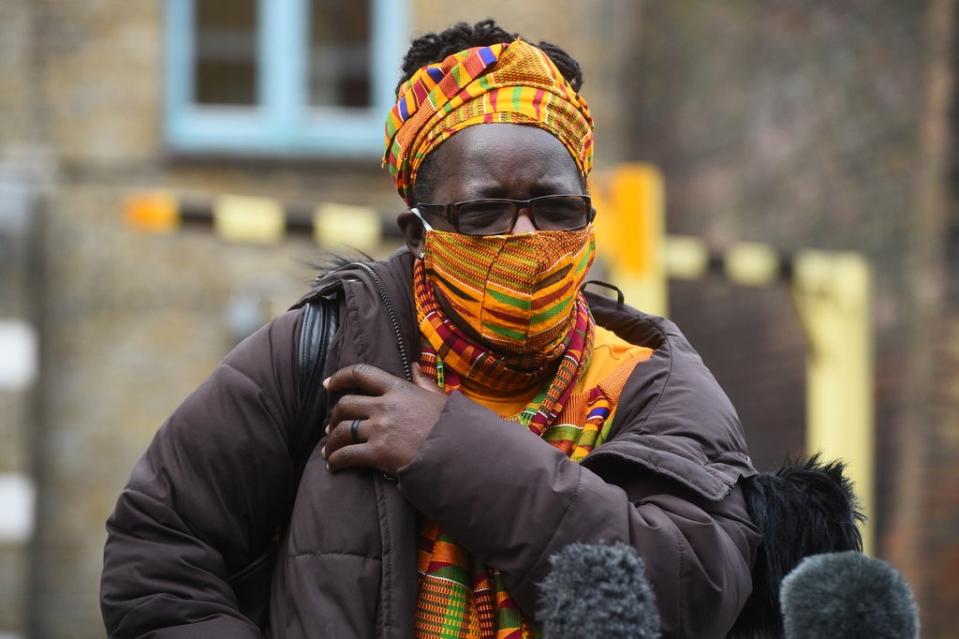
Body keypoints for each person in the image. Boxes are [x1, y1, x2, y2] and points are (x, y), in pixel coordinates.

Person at [101, 21, 760, 639]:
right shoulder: (320, 352)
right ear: (417, 234)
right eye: (483, 211)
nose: (525, 236)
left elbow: (690, 592)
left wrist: (445, 445)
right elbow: (158, 553)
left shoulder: (652, 382)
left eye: (555, 207)